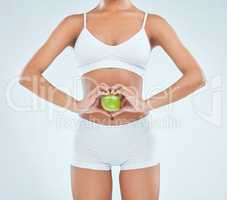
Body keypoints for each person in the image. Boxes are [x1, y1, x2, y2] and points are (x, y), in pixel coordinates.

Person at [19, 0, 206, 199]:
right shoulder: (74, 23)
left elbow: (196, 76)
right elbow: (29, 76)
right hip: (90, 139)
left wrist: (146, 104)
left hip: (137, 139)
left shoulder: (152, 23)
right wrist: (75, 105)